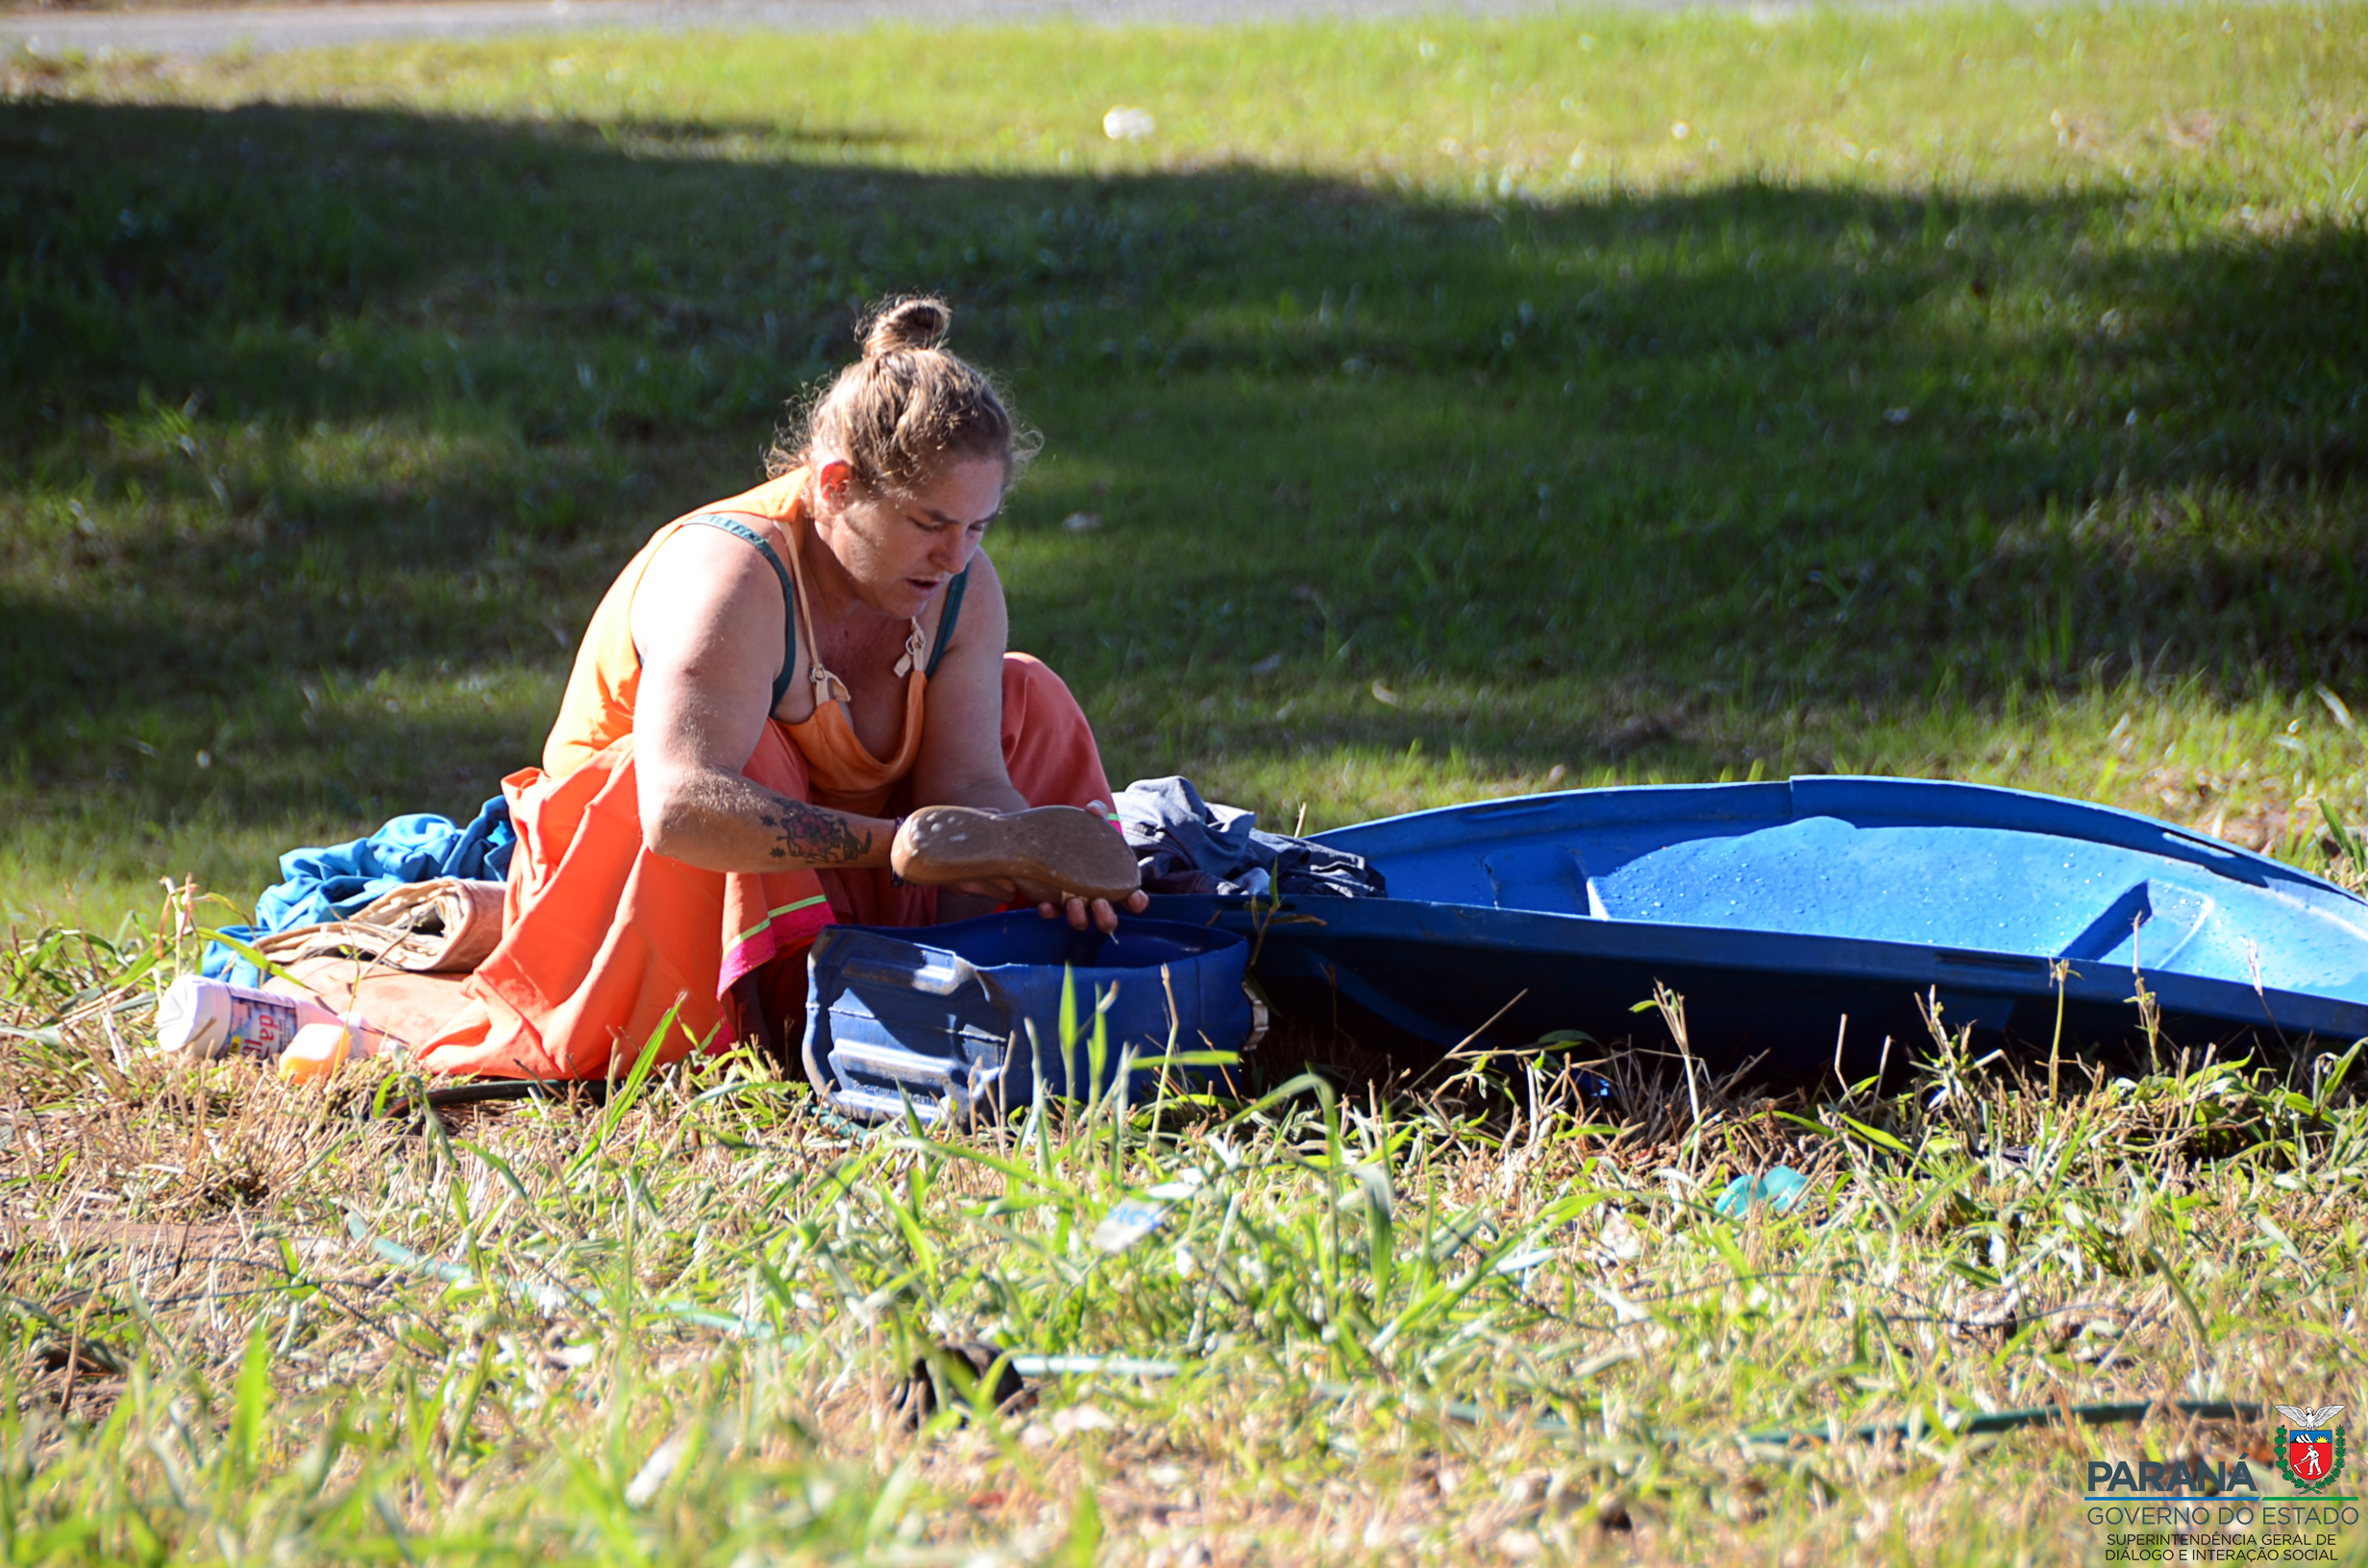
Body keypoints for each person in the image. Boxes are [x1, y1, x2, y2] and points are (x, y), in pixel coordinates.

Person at [416, 297, 1145, 1079]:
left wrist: (1029, 849)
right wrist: (902, 847)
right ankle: (776, 1036)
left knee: (1026, 696)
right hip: (638, 887)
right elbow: (677, 811)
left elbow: (966, 780)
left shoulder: (961, 585)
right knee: (752, 752)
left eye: (978, 527)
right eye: (930, 523)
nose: (956, 557)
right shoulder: (735, 573)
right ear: (834, 485)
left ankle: (967, 998)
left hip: (844, 877)